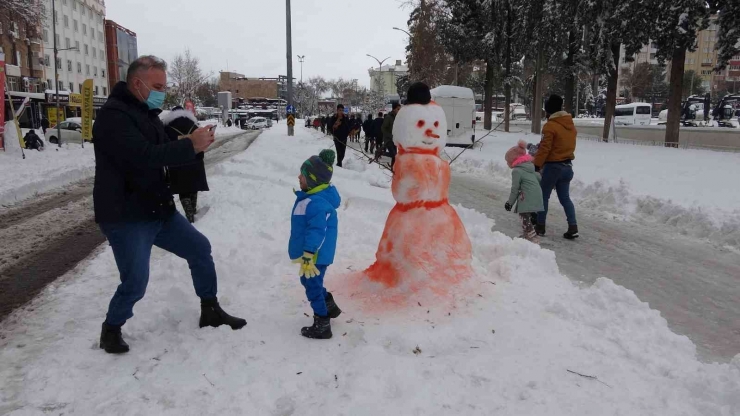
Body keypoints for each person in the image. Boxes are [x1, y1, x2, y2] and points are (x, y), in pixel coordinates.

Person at [93, 56, 246, 354]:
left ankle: (210, 308)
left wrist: (195, 145)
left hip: (157, 209)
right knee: (136, 282)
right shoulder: (114, 117)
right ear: (137, 83)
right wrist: (189, 145)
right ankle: (111, 328)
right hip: (125, 215)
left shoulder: (147, 113)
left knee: (200, 249)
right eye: (158, 86)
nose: (163, 92)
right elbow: (144, 156)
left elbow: (166, 152)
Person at [290, 149, 342, 339]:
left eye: (302, 175)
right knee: (309, 280)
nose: (299, 177)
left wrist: (308, 253)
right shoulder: (311, 198)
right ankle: (329, 305)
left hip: (315, 255)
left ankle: (322, 323)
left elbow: (317, 231)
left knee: (311, 285)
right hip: (314, 253)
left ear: (312, 179)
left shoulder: (316, 203)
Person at [533, 94, 578, 240]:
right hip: (567, 167)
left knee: (543, 196)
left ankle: (540, 226)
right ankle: (573, 227)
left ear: (548, 110)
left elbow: (545, 148)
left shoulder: (550, 126)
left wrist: (536, 164)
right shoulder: (570, 125)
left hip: (553, 167)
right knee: (565, 198)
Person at [162, 106, 210, 223]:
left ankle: (190, 216)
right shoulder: (193, 124)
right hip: (194, 160)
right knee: (193, 187)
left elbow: (164, 145)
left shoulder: (168, 127)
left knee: (183, 190)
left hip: (177, 163)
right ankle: (193, 210)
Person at [504, 140, 543, 243]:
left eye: (508, 161)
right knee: (526, 215)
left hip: (527, 195)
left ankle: (532, 236)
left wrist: (510, 203)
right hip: (536, 194)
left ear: (513, 160)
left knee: (524, 215)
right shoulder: (529, 167)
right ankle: (527, 234)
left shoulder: (517, 171)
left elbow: (515, 188)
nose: (507, 164)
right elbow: (538, 177)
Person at [381, 103, 401, 170]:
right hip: (388, 139)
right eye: (398, 109)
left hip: (394, 140)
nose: (399, 110)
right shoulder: (388, 117)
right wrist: (390, 136)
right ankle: (382, 153)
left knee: (395, 155)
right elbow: (383, 128)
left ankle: (393, 168)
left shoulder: (398, 117)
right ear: (394, 109)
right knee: (394, 155)